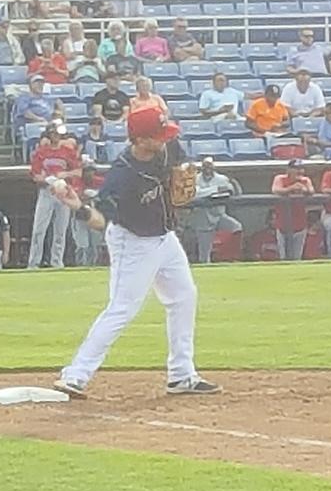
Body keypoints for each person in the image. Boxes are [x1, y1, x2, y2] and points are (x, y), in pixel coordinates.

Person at [49, 107, 220, 397]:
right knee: (123, 308)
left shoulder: (168, 149)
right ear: (140, 140)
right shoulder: (122, 176)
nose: (165, 140)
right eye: (158, 136)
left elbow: (181, 169)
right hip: (132, 241)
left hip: (164, 237)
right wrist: (77, 207)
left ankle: (181, 375)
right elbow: (101, 221)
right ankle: (75, 375)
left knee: (184, 297)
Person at [28, 121, 80, 269]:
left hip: (64, 191)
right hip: (47, 191)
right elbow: (35, 175)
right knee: (39, 229)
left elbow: (78, 171)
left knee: (60, 230)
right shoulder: (41, 152)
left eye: (57, 134)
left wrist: (65, 174)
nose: (55, 136)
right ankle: (34, 262)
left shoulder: (67, 152)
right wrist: (47, 180)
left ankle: (56, 262)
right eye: (53, 134)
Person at [190, 157, 241, 264]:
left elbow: (230, 190)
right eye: (205, 165)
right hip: (203, 218)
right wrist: (216, 190)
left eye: (210, 165)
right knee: (204, 254)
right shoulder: (195, 179)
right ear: (202, 167)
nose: (208, 168)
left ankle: (232, 257)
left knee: (236, 227)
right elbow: (196, 194)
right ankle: (205, 272)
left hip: (219, 214)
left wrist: (230, 185)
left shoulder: (221, 178)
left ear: (214, 167)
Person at [271, 159, 315, 261]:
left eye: (301, 169)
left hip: (300, 224)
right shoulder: (280, 178)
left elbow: (312, 191)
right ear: (289, 170)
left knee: (297, 257)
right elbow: (275, 190)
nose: (299, 171)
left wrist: (305, 190)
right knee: (283, 257)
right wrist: (291, 188)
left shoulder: (305, 180)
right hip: (282, 224)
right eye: (296, 169)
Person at [71, 158, 105, 266]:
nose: (89, 173)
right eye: (86, 171)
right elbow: (78, 197)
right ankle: (80, 267)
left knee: (95, 245)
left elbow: (108, 194)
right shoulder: (77, 181)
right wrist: (89, 196)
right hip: (80, 218)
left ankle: (93, 267)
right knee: (82, 245)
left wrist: (98, 195)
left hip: (95, 218)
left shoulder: (100, 181)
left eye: (91, 170)